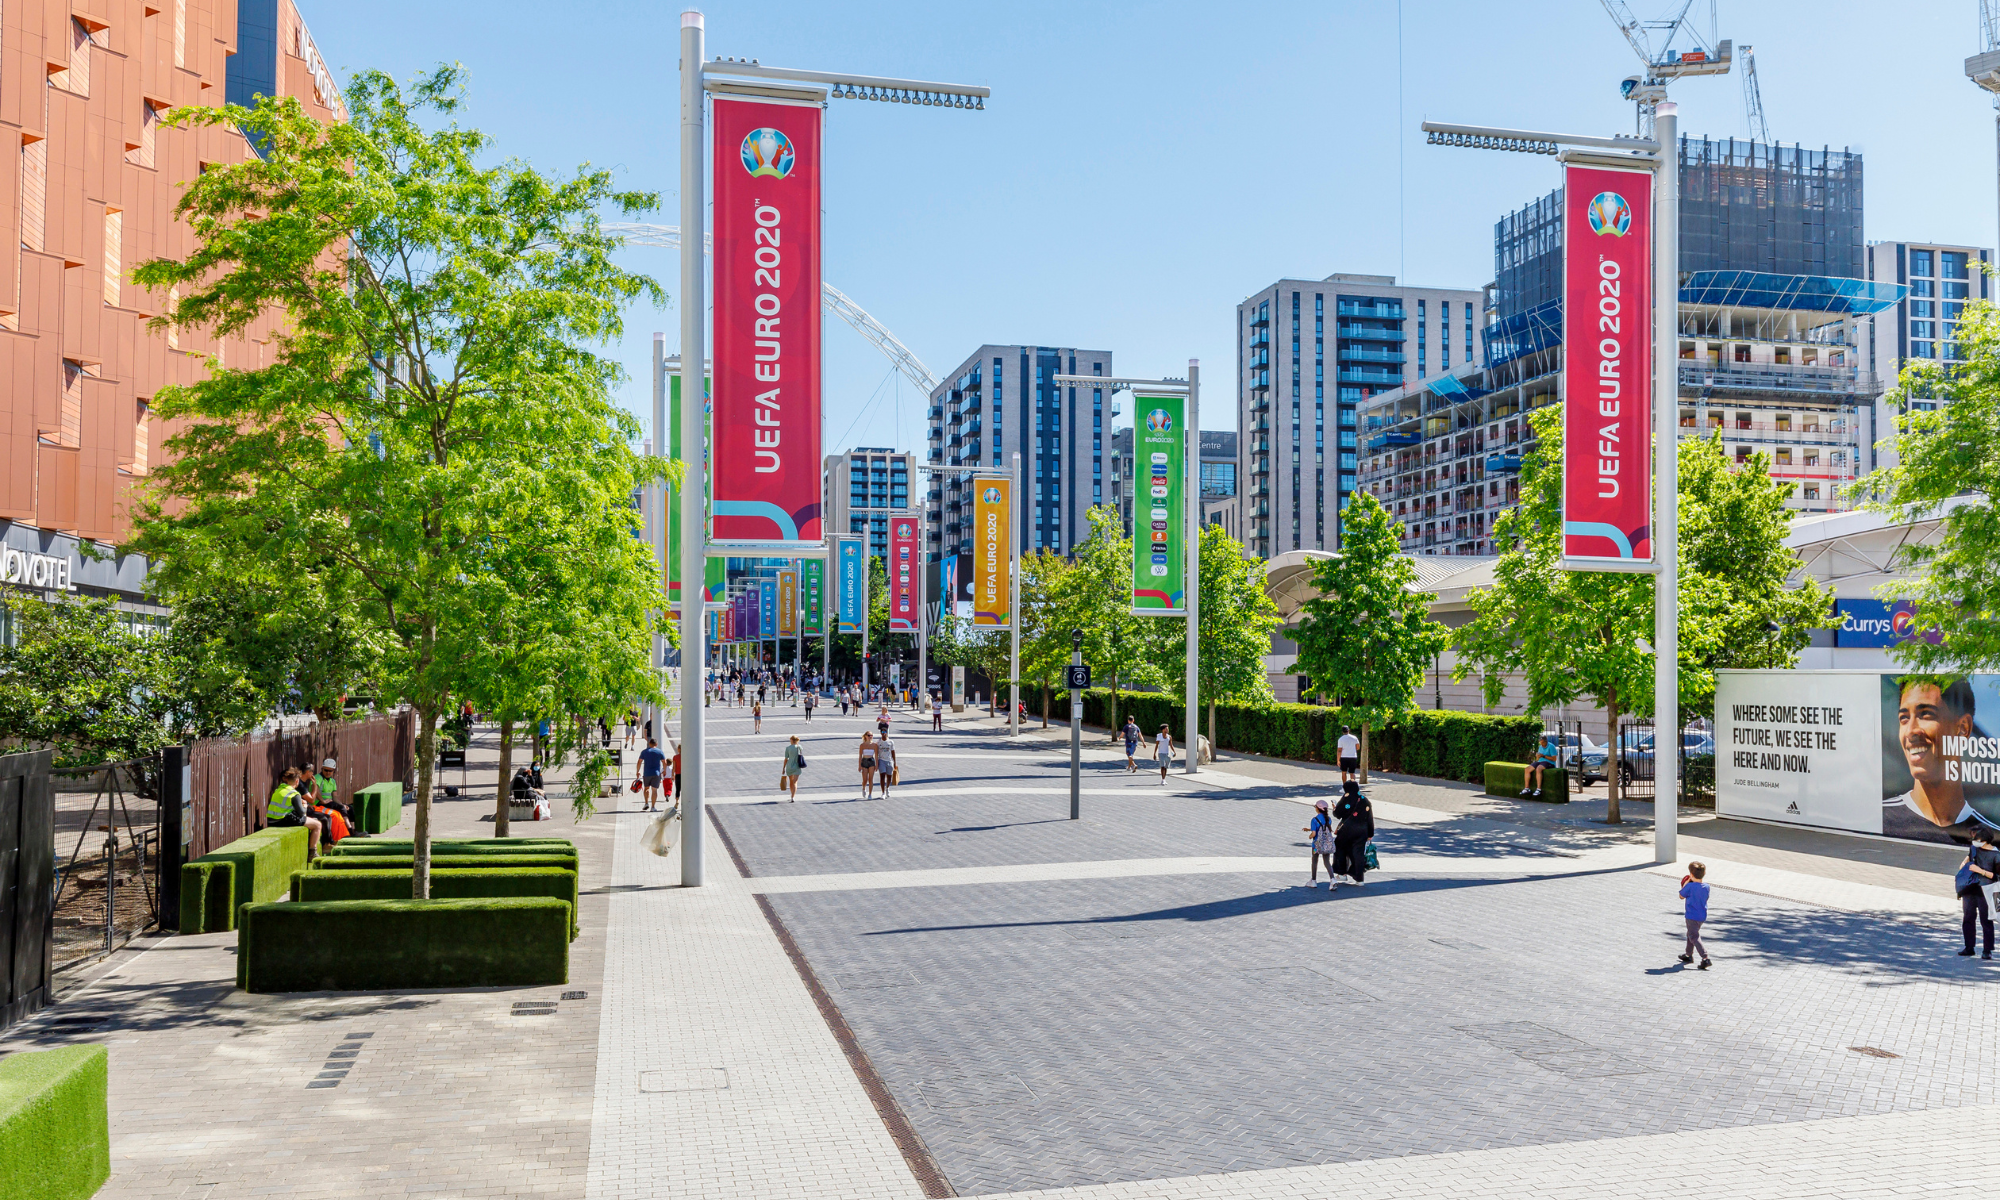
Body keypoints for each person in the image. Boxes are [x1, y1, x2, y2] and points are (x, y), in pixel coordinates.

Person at [1885, 677, 1989, 841]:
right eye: (1904, 718)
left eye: (1926, 714)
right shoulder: (1880, 819)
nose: (1911, 731)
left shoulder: (1989, 836)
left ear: (1963, 728)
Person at [1956, 829, 1999, 958]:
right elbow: (1968, 858)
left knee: (1986, 921)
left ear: (1985, 840)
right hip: (1970, 889)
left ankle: (1987, 950)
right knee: (1968, 918)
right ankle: (1969, 947)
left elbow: (1997, 876)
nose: (1974, 841)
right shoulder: (1973, 848)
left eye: (1977, 839)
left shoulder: (1996, 855)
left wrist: (1981, 871)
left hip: (1986, 891)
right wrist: (1964, 864)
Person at [265, 767, 323, 857]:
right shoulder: (294, 794)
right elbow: (302, 813)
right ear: (297, 781)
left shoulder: (278, 790)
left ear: (287, 780)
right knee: (317, 825)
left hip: (271, 821)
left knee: (310, 820)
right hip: (283, 820)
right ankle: (313, 852)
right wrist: (304, 805)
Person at [1332, 781, 1375, 885]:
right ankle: (1359, 879)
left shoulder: (1346, 798)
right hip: (1362, 831)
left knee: (1341, 850)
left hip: (1346, 830)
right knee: (1358, 854)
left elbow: (1337, 814)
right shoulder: (1365, 800)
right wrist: (1370, 834)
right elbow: (1369, 818)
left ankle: (1342, 874)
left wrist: (1334, 807)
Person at [1678, 861, 1713, 969]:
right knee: (1691, 933)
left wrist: (1686, 882)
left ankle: (1705, 958)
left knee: (1694, 936)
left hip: (1691, 916)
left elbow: (1681, 896)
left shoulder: (1690, 887)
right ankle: (1688, 955)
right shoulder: (1706, 886)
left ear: (1691, 875)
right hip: (1702, 915)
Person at [1304, 798, 1337, 888]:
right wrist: (1310, 829)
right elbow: (1323, 828)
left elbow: (1315, 833)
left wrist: (1310, 836)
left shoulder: (1314, 820)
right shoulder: (1328, 819)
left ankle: (1313, 880)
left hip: (1316, 845)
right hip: (1326, 844)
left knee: (1314, 861)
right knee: (1327, 862)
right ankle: (1332, 879)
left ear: (1317, 808)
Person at [1526, 731, 1561, 798]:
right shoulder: (1540, 747)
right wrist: (1538, 757)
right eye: (1540, 743)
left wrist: (1544, 756)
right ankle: (1527, 788)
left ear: (1546, 741)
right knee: (1527, 769)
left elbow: (1554, 759)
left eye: (1543, 742)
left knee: (1539, 768)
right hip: (1540, 761)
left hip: (1549, 762)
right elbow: (1537, 759)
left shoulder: (1551, 746)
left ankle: (1538, 789)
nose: (1542, 744)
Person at [637, 737, 667, 812]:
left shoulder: (644, 752)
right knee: (654, 790)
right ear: (656, 744)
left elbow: (639, 761)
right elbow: (664, 762)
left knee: (646, 788)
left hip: (647, 773)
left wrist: (638, 771)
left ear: (649, 743)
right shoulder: (660, 752)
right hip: (656, 774)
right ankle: (653, 807)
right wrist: (664, 770)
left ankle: (646, 803)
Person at [782, 735, 805, 801]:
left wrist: (783, 768)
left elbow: (786, 759)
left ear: (791, 740)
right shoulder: (799, 747)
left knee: (791, 782)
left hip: (789, 766)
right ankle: (793, 796)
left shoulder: (788, 748)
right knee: (795, 782)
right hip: (797, 766)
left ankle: (792, 794)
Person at [858, 731, 879, 799]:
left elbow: (876, 755)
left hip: (871, 761)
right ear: (866, 736)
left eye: (872, 735)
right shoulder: (862, 745)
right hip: (864, 761)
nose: (870, 737)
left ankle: (870, 794)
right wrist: (859, 765)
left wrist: (876, 765)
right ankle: (864, 788)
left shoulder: (874, 745)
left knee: (871, 779)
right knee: (865, 780)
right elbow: (860, 756)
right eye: (869, 735)